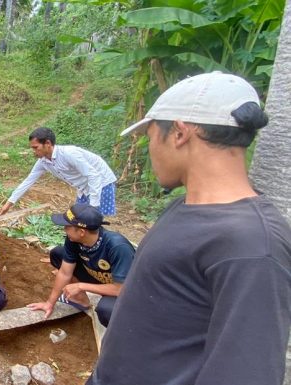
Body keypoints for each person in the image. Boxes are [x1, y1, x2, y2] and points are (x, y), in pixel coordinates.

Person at [89, 72, 291, 385]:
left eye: (152, 136)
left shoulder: (251, 245)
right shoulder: (183, 207)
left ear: (180, 133)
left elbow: (245, 373)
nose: (151, 148)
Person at [27, 203, 135, 327]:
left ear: (82, 232)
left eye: (67, 226)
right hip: (100, 277)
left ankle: (122, 335)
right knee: (58, 253)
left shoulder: (118, 247)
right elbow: (64, 272)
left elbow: (121, 289)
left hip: (126, 290)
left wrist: (81, 286)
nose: (64, 229)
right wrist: (49, 303)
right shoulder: (74, 239)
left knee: (106, 310)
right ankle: (80, 300)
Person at [0, 127, 117, 216]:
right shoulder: (43, 162)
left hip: (101, 182)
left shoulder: (69, 154)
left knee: (94, 219)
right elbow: (28, 181)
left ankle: (99, 245)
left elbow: (94, 176)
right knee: (79, 219)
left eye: (36, 147)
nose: (34, 151)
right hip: (83, 187)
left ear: (48, 144)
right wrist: (9, 204)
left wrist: (94, 206)